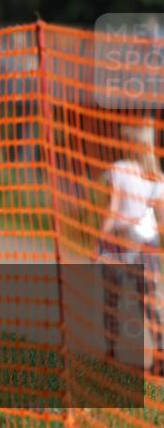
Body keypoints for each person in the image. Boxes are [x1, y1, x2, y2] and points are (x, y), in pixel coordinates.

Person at [98, 119, 164, 375]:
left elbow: (111, 210)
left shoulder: (119, 169)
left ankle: (111, 353)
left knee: (112, 300)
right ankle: (160, 357)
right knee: (151, 303)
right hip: (148, 246)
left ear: (130, 142)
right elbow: (161, 222)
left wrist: (99, 239)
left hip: (118, 243)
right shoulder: (158, 177)